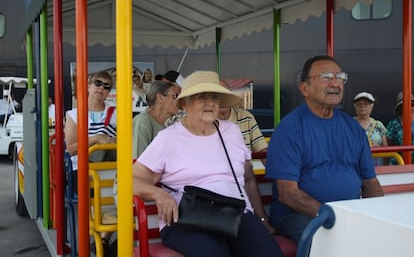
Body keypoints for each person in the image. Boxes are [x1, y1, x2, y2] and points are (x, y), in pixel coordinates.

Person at [132, 71, 283, 257]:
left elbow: (248, 177)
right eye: (202, 97)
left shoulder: (232, 132)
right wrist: (158, 193)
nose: (210, 102)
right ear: (185, 103)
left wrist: (261, 218)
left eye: (214, 97)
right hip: (187, 219)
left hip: (234, 215)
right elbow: (132, 179)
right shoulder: (168, 138)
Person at [265, 55, 384, 244]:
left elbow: (370, 182)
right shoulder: (290, 129)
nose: (335, 83)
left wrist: (381, 215)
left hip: (348, 212)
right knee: (331, 241)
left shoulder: (353, 128)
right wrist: (329, 215)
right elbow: (288, 193)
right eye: (326, 77)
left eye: (340, 77)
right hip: (300, 216)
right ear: (305, 88)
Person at [64, 70, 116, 250]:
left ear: (110, 92)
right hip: (84, 168)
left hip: (111, 167)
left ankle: (103, 237)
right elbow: (71, 148)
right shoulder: (74, 114)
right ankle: (94, 235)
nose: (101, 88)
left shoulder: (116, 114)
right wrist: (96, 139)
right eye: (98, 83)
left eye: (106, 86)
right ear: (89, 85)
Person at [218, 106, 275, 235]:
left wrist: (281, 177)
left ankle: (261, 220)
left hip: (242, 198)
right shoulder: (196, 126)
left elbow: (262, 151)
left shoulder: (242, 120)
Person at [132, 81, 179, 159]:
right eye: (175, 96)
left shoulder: (166, 127)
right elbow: (137, 159)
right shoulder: (142, 121)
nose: (179, 101)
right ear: (160, 98)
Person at [353, 92, 388, 165]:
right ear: (355, 107)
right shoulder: (348, 124)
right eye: (359, 104)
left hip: (376, 165)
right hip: (355, 165)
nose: (362, 107)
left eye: (365, 104)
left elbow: (386, 148)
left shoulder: (379, 125)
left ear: (371, 106)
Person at [386, 91, 414, 164]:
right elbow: (389, 144)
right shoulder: (394, 123)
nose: (410, 106)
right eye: (405, 104)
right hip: (399, 162)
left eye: (412, 103)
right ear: (400, 107)